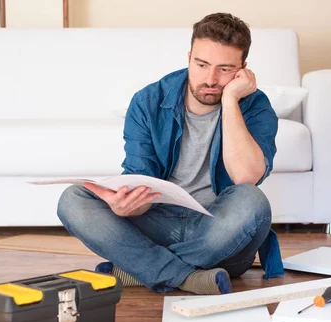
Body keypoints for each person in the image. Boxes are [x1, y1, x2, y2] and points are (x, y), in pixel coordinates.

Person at [57, 12, 284, 295]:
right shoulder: (148, 101)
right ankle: (187, 277)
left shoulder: (255, 106)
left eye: (225, 69)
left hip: (219, 233)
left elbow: (246, 176)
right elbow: (141, 180)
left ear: (242, 69)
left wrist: (230, 100)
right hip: (158, 221)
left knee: (253, 201)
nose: (210, 79)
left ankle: (141, 268)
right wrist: (127, 205)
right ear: (189, 57)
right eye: (201, 64)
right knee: (73, 199)